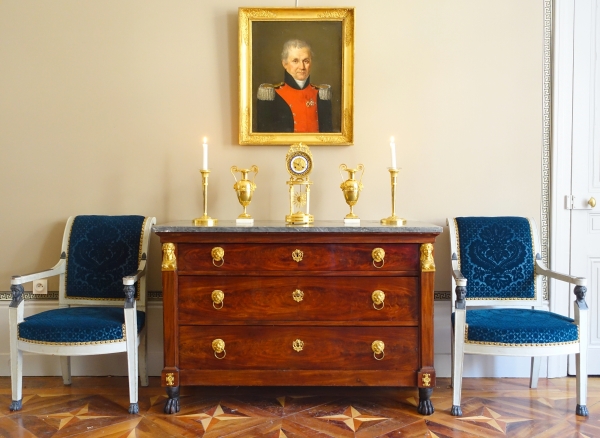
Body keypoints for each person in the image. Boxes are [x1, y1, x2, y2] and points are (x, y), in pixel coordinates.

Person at [256, 39, 333, 133]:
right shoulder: (270, 95)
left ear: (311, 63)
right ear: (285, 64)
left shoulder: (321, 94)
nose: (302, 67)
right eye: (295, 61)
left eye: (306, 61)